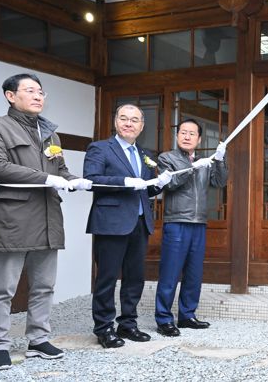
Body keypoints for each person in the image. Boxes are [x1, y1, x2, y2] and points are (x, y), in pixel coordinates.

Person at [0, 73, 92, 370]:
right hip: (13, 217)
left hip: (48, 216)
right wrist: (46, 178)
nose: (38, 96)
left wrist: (76, 180)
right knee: (3, 288)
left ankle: (38, 339)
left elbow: (61, 169)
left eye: (41, 91)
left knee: (44, 285)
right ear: (10, 96)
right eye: (30, 90)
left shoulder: (50, 133)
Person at [84, 104, 172, 348]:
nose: (129, 123)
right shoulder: (100, 148)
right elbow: (91, 180)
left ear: (142, 126)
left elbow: (146, 188)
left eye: (135, 120)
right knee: (107, 277)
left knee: (135, 278)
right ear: (116, 122)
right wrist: (124, 181)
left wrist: (160, 183)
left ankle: (128, 324)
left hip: (140, 223)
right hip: (111, 223)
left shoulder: (143, 153)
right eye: (124, 118)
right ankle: (104, 328)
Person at [154, 119, 227, 337]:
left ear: (199, 139)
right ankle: (164, 319)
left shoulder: (207, 161)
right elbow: (170, 184)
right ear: (177, 136)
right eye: (183, 132)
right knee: (170, 272)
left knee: (194, 274)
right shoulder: (166, 158)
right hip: (176, 222)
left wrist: (220, 160)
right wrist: (192, 167)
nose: (186, 136)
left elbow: (220, 182)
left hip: (199, 223)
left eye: (191, 133)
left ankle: (187, 315)